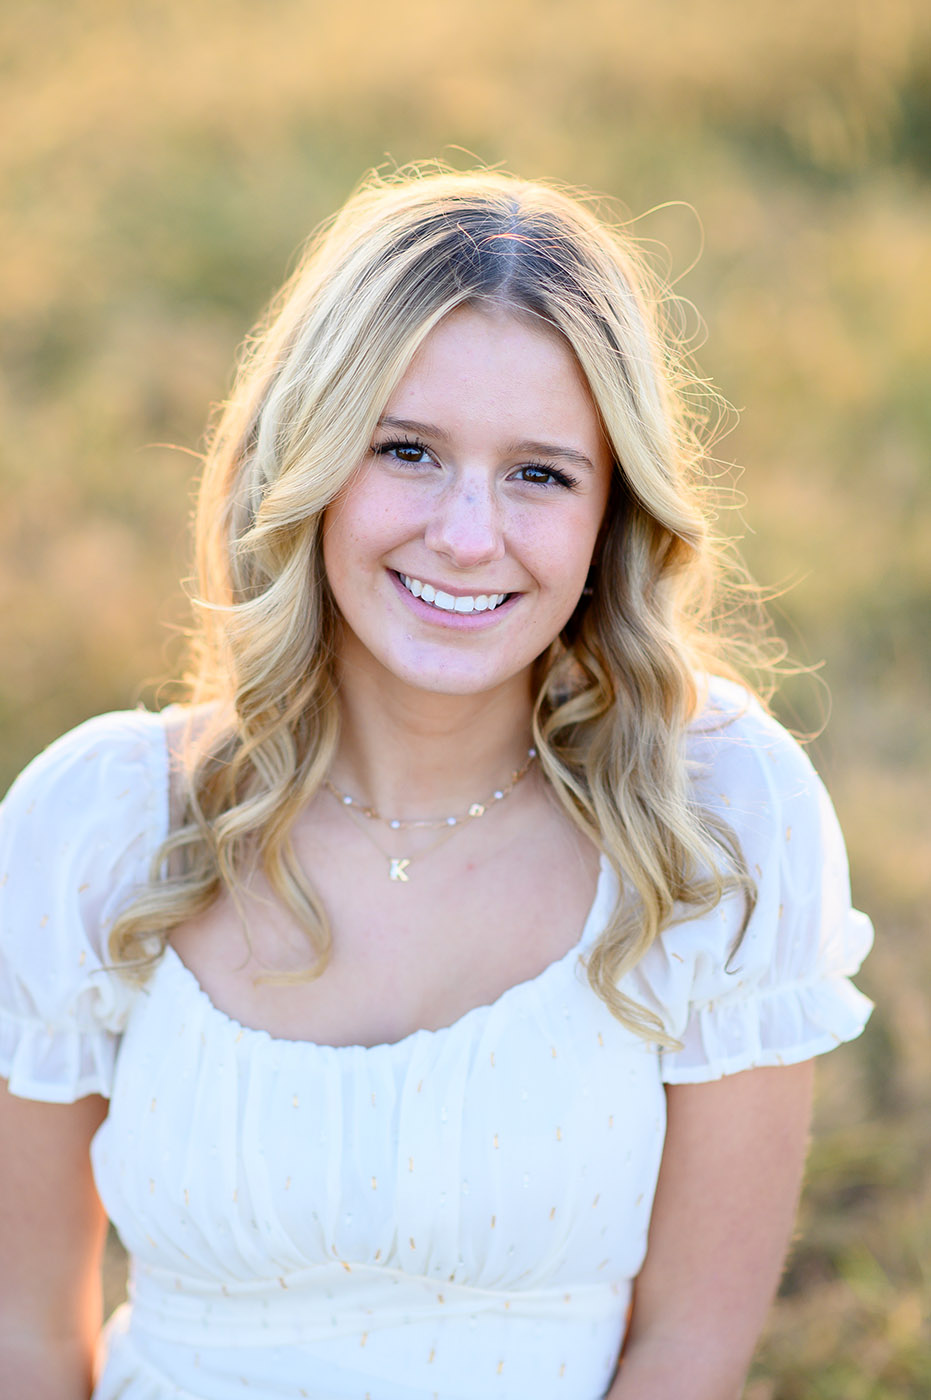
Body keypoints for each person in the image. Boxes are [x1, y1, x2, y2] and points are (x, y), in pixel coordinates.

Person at [0, 166, 872, 1400]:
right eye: (405, 451)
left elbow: (688, 1352)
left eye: (539, 473)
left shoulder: (716, 815)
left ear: (611, 513)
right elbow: (28, 1340)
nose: (466, 535)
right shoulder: (100, 822)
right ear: (305, 461)